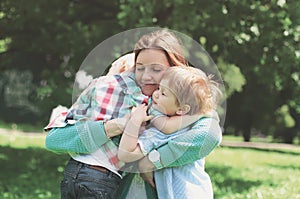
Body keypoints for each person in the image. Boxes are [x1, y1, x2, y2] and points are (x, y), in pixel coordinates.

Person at [45, 29, 222, 198]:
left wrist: (148, 163)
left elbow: (210, 135)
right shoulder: (115, 94)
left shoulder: (191, 106)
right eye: (140, 68)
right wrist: (113, 126)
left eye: (157, 69)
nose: (146, 77)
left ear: (176, 70)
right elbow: (55, 140)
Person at [118, 66, 222, 199]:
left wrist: (135, 121)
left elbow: (126, 154)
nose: (155, 94)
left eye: (163, 93)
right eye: (159, 88)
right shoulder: (192, 127)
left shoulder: (160, 134)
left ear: (182, 109)